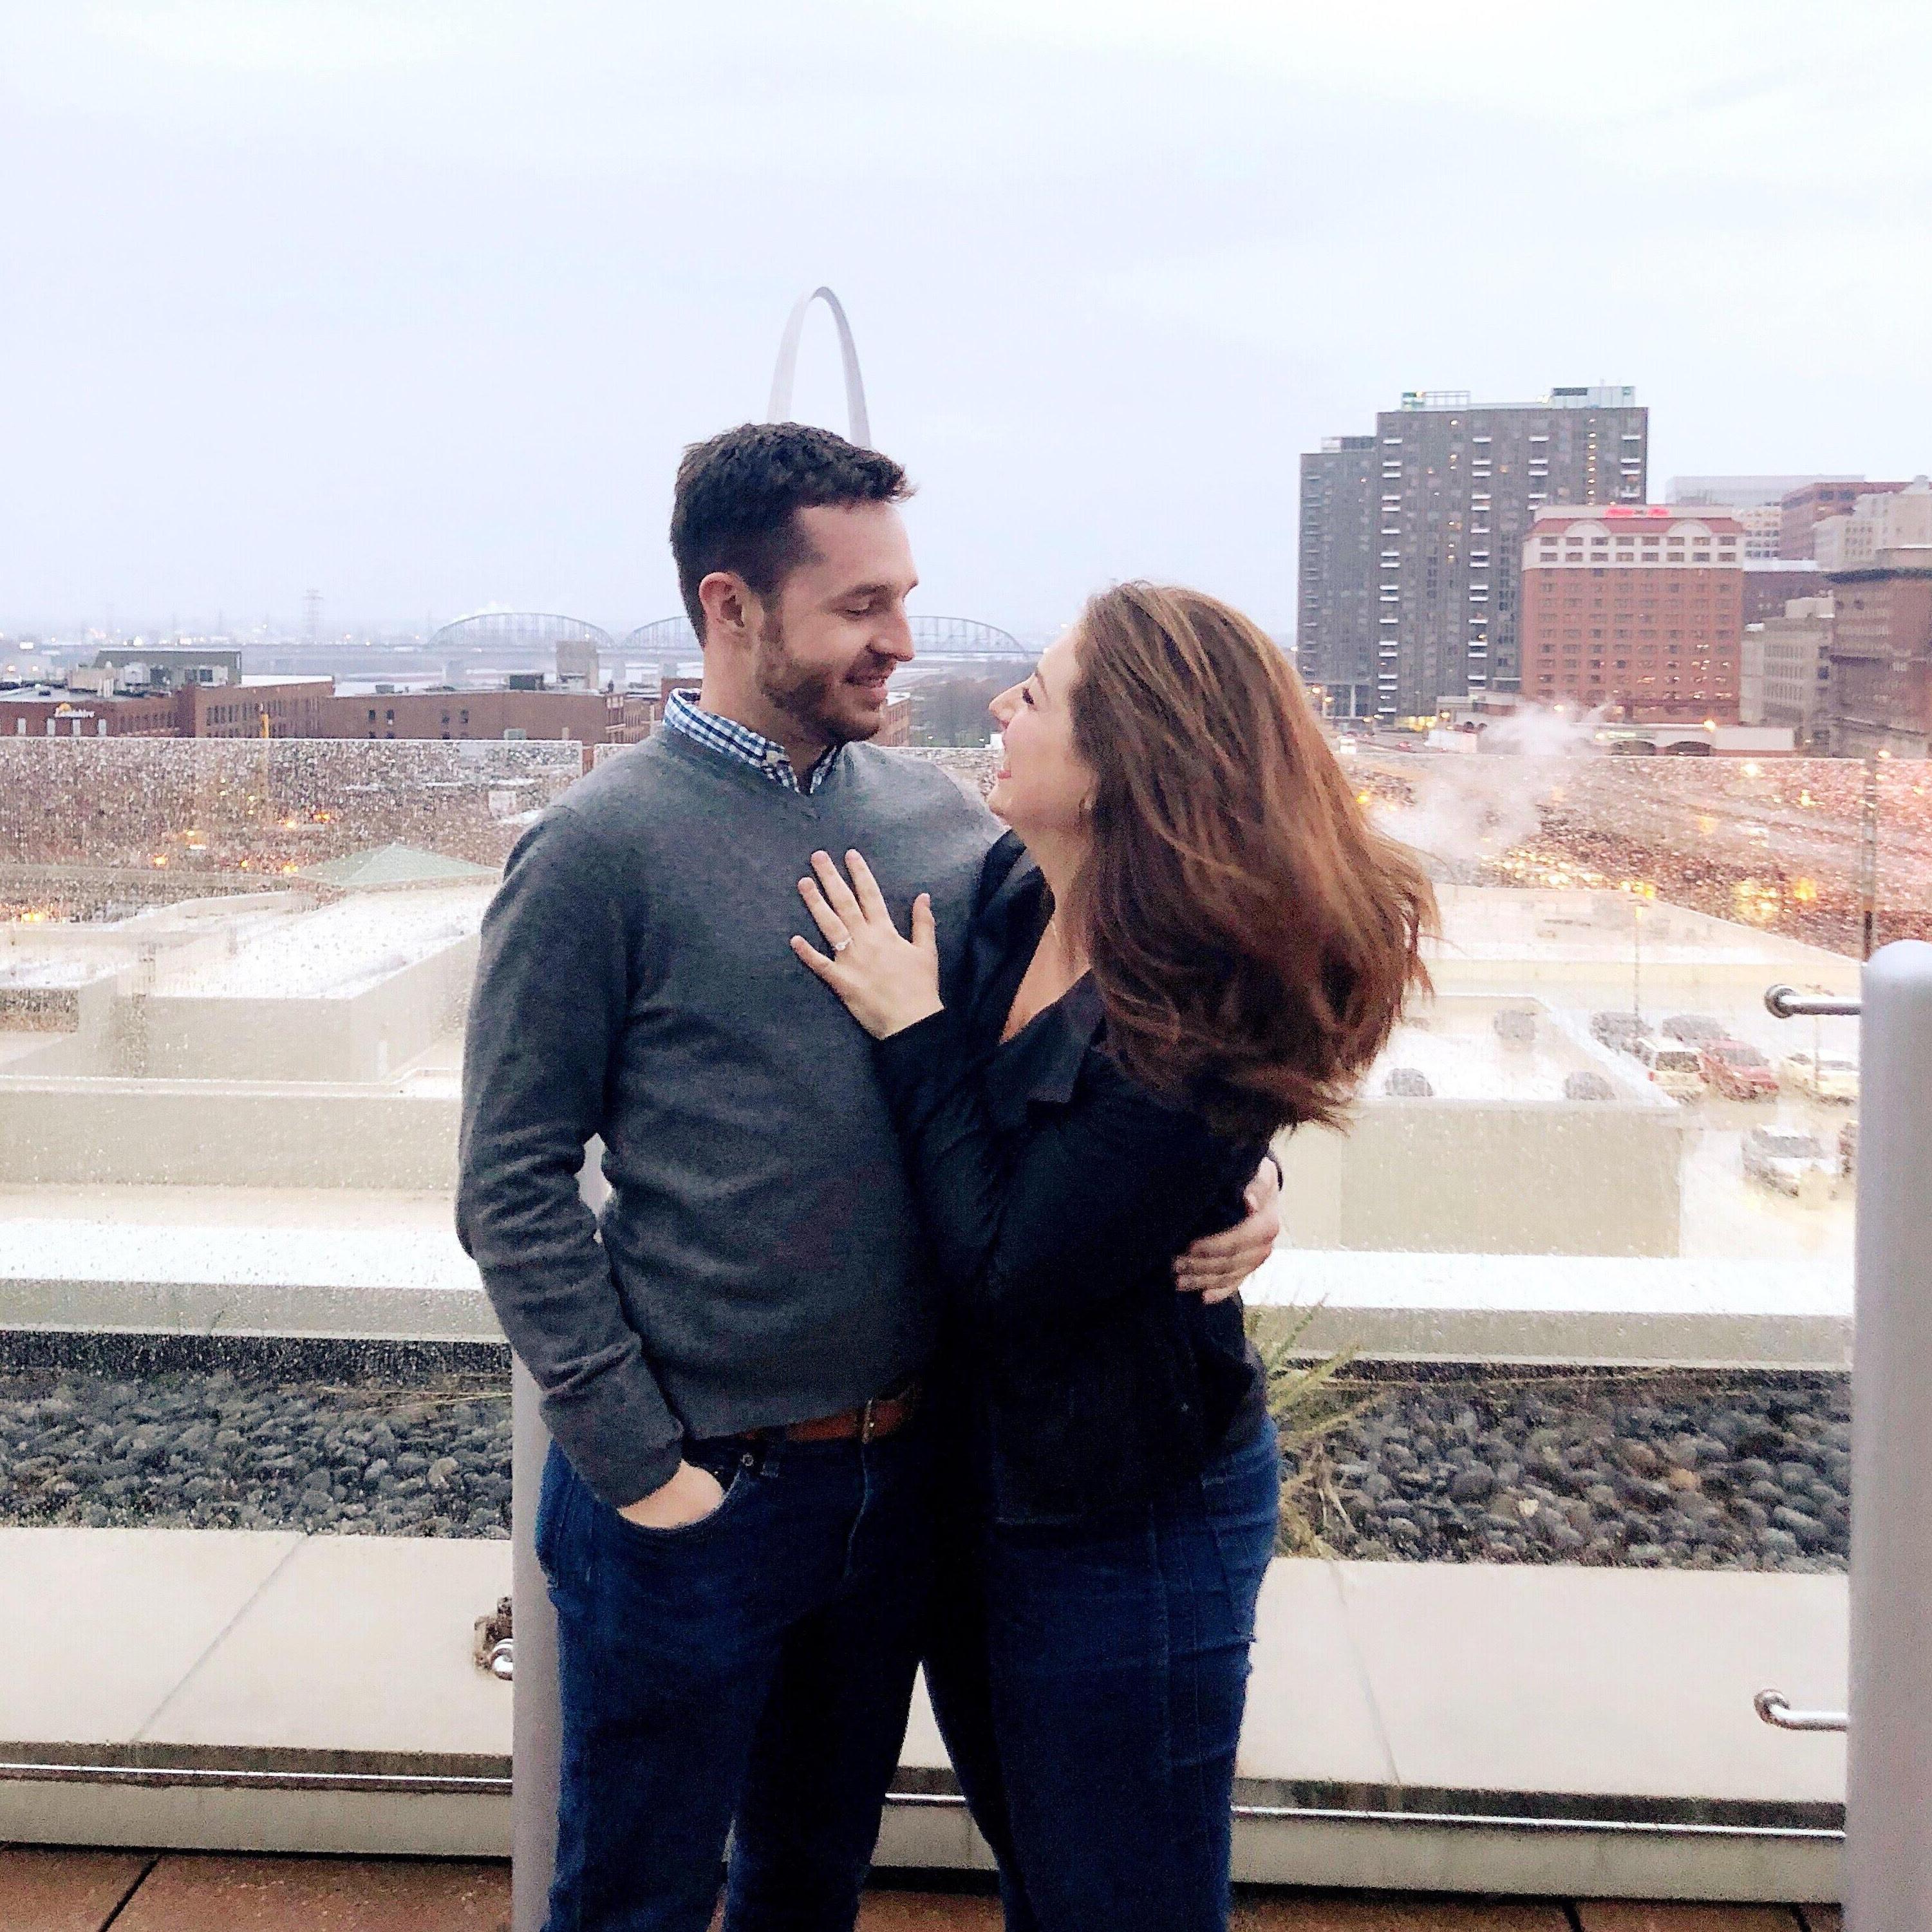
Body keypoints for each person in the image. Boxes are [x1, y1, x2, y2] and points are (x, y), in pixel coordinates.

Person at [455, 424, 1282, 1932]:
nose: (902, 642)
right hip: (702, 1493)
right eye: (859, 608)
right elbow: (510, 1186)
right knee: (629, 1899)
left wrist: (1238, 1173)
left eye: (906, 597)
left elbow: (1115, 1030)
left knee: (806, 1881)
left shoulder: (946, 828)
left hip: (908, 1485)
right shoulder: (594, 853)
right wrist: (644, 1467)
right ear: (731, 608)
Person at [791, 581, 1435, 1932]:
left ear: (1125, 761)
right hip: (976, 1490)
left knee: (1120, 1898)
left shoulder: (1195, 1012)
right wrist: (1240, 1178)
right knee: (1044, 1869)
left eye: (1040, 692)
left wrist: (914, 1031)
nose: (1002, 706)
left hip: (1121, 1521)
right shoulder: (1013, 892)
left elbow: (1012, 1270)